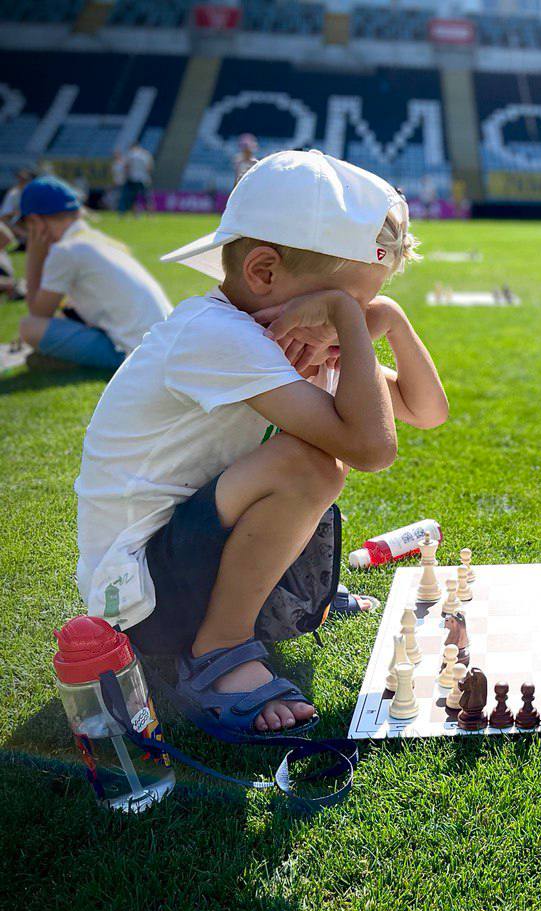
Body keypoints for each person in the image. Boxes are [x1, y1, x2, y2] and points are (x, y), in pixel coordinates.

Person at [75, 150, 449, 734]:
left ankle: (279, 602)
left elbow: (425, 412)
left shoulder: (294, 336)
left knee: (308, 460)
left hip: (187, 551)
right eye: (350, 300)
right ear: (265, 273)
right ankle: (217, 650)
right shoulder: (215, 336)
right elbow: (373, 450)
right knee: (310, 466)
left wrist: (390, 320)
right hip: (140, 597)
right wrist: (349, 328)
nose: (359, 314)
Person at [18, 175, 171, 370]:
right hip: (161, 344)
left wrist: (34, 255)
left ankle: (69, 363)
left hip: (136, 354)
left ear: (35, 222)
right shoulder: (98, 240)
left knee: (29, 327)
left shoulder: (67, 250)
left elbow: (38, 313)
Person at [121, 141, 153, 216]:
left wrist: (126, 176)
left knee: (133, 197)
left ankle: (136, 213)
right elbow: (149, 168)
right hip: (144, 178)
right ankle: (150, 214)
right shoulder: (146, 154)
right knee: (146, 197)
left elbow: (126, 167)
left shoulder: (129, 154)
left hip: (133, 178)